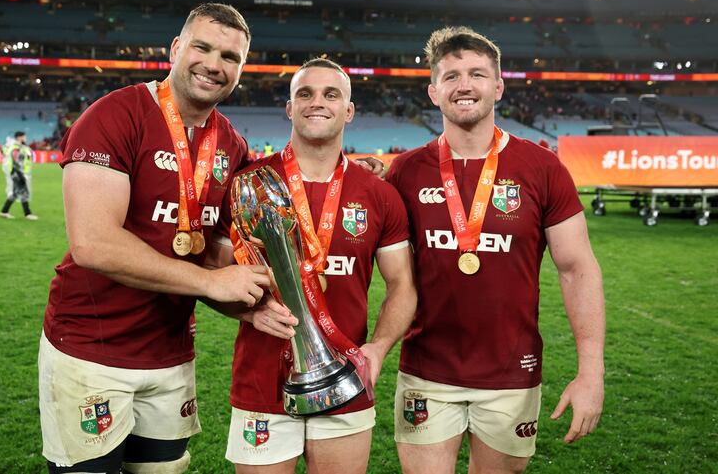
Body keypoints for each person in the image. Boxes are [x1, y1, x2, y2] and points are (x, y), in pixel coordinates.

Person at [38, 3, 274, 474]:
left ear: (241, 70)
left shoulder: (230, 143)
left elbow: (220, 249)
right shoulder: (115, 115)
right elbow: (94, 243)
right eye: (202, 47)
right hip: (92, 348)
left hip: (170, 355)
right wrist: (211, 283)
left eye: (230, 56)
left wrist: (248, 296)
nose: (214, 64)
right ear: (176, 48)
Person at [387, 26, 605, 474]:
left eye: (477, 74)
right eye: (450, 76)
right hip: (427, 370)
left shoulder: (543, 167)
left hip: (512, 374)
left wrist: (591, 374)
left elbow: (577, 269)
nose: (464, 85)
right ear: (433, 92)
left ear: (499, 86)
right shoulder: (405, 172)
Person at [208, 59, 417, 474]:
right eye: (304, 93)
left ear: (349, 110)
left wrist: (377, 349)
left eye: (330, 94)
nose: (316, 102)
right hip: (261, 380)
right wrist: (247, 310)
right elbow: (214, 274)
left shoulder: (379, 194)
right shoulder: (250, 184)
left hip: (346, 377)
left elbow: (403, 286)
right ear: (289, 108)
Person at [0, 131, 38, 220]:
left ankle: (4, 211)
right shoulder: (17, 148)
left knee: (17, 193)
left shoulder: (20, 147)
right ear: (20, 137)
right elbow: (16, 162)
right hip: (17, 173)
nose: (25, 138)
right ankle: (27, 214)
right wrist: (21, 175)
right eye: (24, 136)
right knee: (23, 192)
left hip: (18, 173)